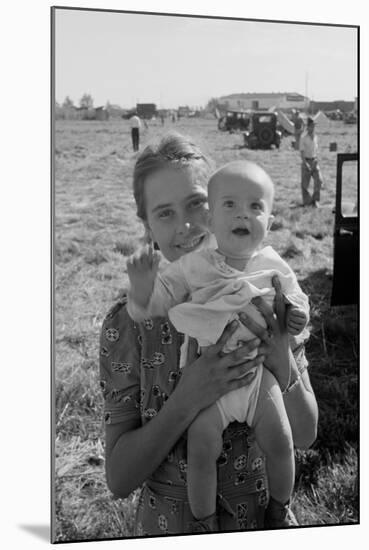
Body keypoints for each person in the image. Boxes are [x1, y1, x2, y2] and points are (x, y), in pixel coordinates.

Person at [99, 133, 318, 536]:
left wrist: (282, 354)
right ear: (145, 223)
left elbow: (304, 435)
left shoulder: (263, 294)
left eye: (197, 203)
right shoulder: (127, 324)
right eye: (164, 213)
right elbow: (119, 478)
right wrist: (187, 399)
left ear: (218, 204)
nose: (185, 226)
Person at [299, 117, 324, 208]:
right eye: (312, 126)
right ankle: (307, 202)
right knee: (305, 185)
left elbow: (316, 150)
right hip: (306, 160)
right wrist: (305, 163)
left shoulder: (316, 137)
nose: (313, 128)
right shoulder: (303, 137)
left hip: (314, 161)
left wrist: (316, 159)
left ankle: (315, 200)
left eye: (314, 126)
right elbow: (301, 152)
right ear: (308, 127)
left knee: (319, 181)